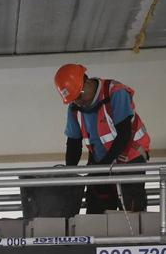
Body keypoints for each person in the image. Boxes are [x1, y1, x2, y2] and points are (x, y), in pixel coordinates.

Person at [54, 64, 151, 214]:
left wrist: (104, 168)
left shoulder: (115, 93)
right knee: (96, 209)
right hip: (100, 160)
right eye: (73, 100)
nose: (78, 102)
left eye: (79, 96)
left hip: (129, 155)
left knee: (131, 210)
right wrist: (69, 174)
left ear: (87, 83)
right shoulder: (75, 108)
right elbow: (74, 144)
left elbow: (124, 133)